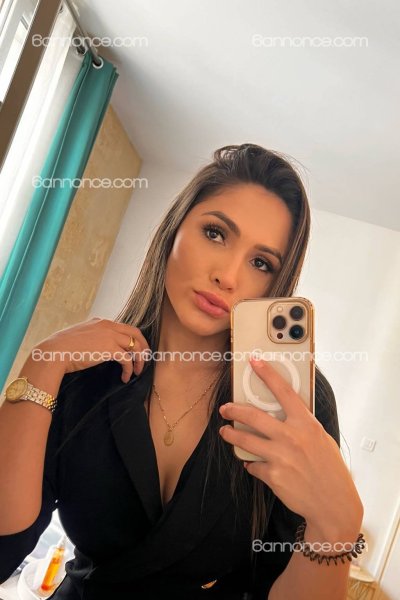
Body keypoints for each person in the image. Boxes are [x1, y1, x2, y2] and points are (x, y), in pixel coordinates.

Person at [0, 144, 364, 599]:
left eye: (261, 263)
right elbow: (5, 547)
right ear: (174, 230)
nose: (228, 275)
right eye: (215, 233)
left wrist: (337, 527)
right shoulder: (88, 370)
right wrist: (42, 363)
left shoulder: (290, 398)